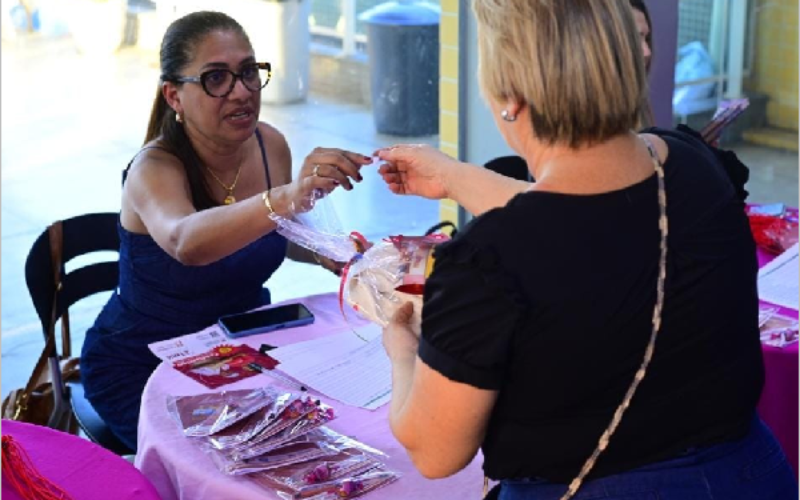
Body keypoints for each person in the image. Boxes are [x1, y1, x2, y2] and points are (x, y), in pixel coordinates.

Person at [375, 1, 797, 499]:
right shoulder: (694, 166)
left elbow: (435, 451)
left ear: (509, 94)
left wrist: (404, 351)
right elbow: (587, 219)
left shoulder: (484, 261)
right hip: (749, 478)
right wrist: (451, 176)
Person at [80, 10, 370, 451]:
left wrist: (330, 250)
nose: (241, 92)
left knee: (325, 437)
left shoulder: (268, 145)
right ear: (174, 96)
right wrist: (287, 196)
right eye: (217, 78)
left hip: (242, 344)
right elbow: (186, 241)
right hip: (144, 360)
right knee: (222, 463)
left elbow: (279, 229)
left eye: (249, 72)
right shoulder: (154, 169)